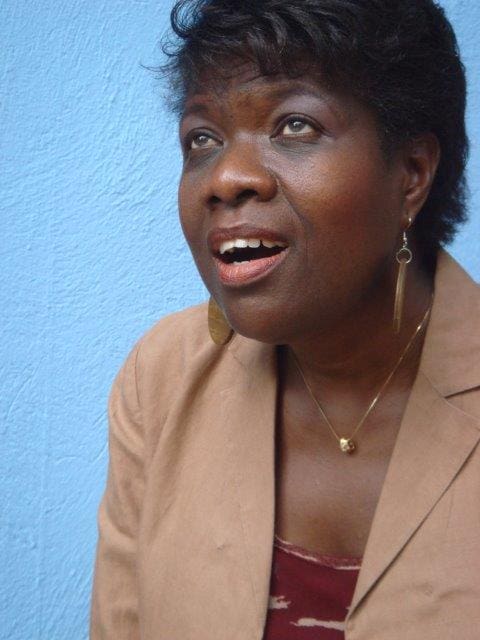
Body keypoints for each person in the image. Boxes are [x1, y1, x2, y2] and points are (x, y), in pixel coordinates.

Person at [90, 1, 480, 638]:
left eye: (294, 126)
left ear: (411, 174)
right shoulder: (160, 378)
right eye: (202, 139)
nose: (226, 178)